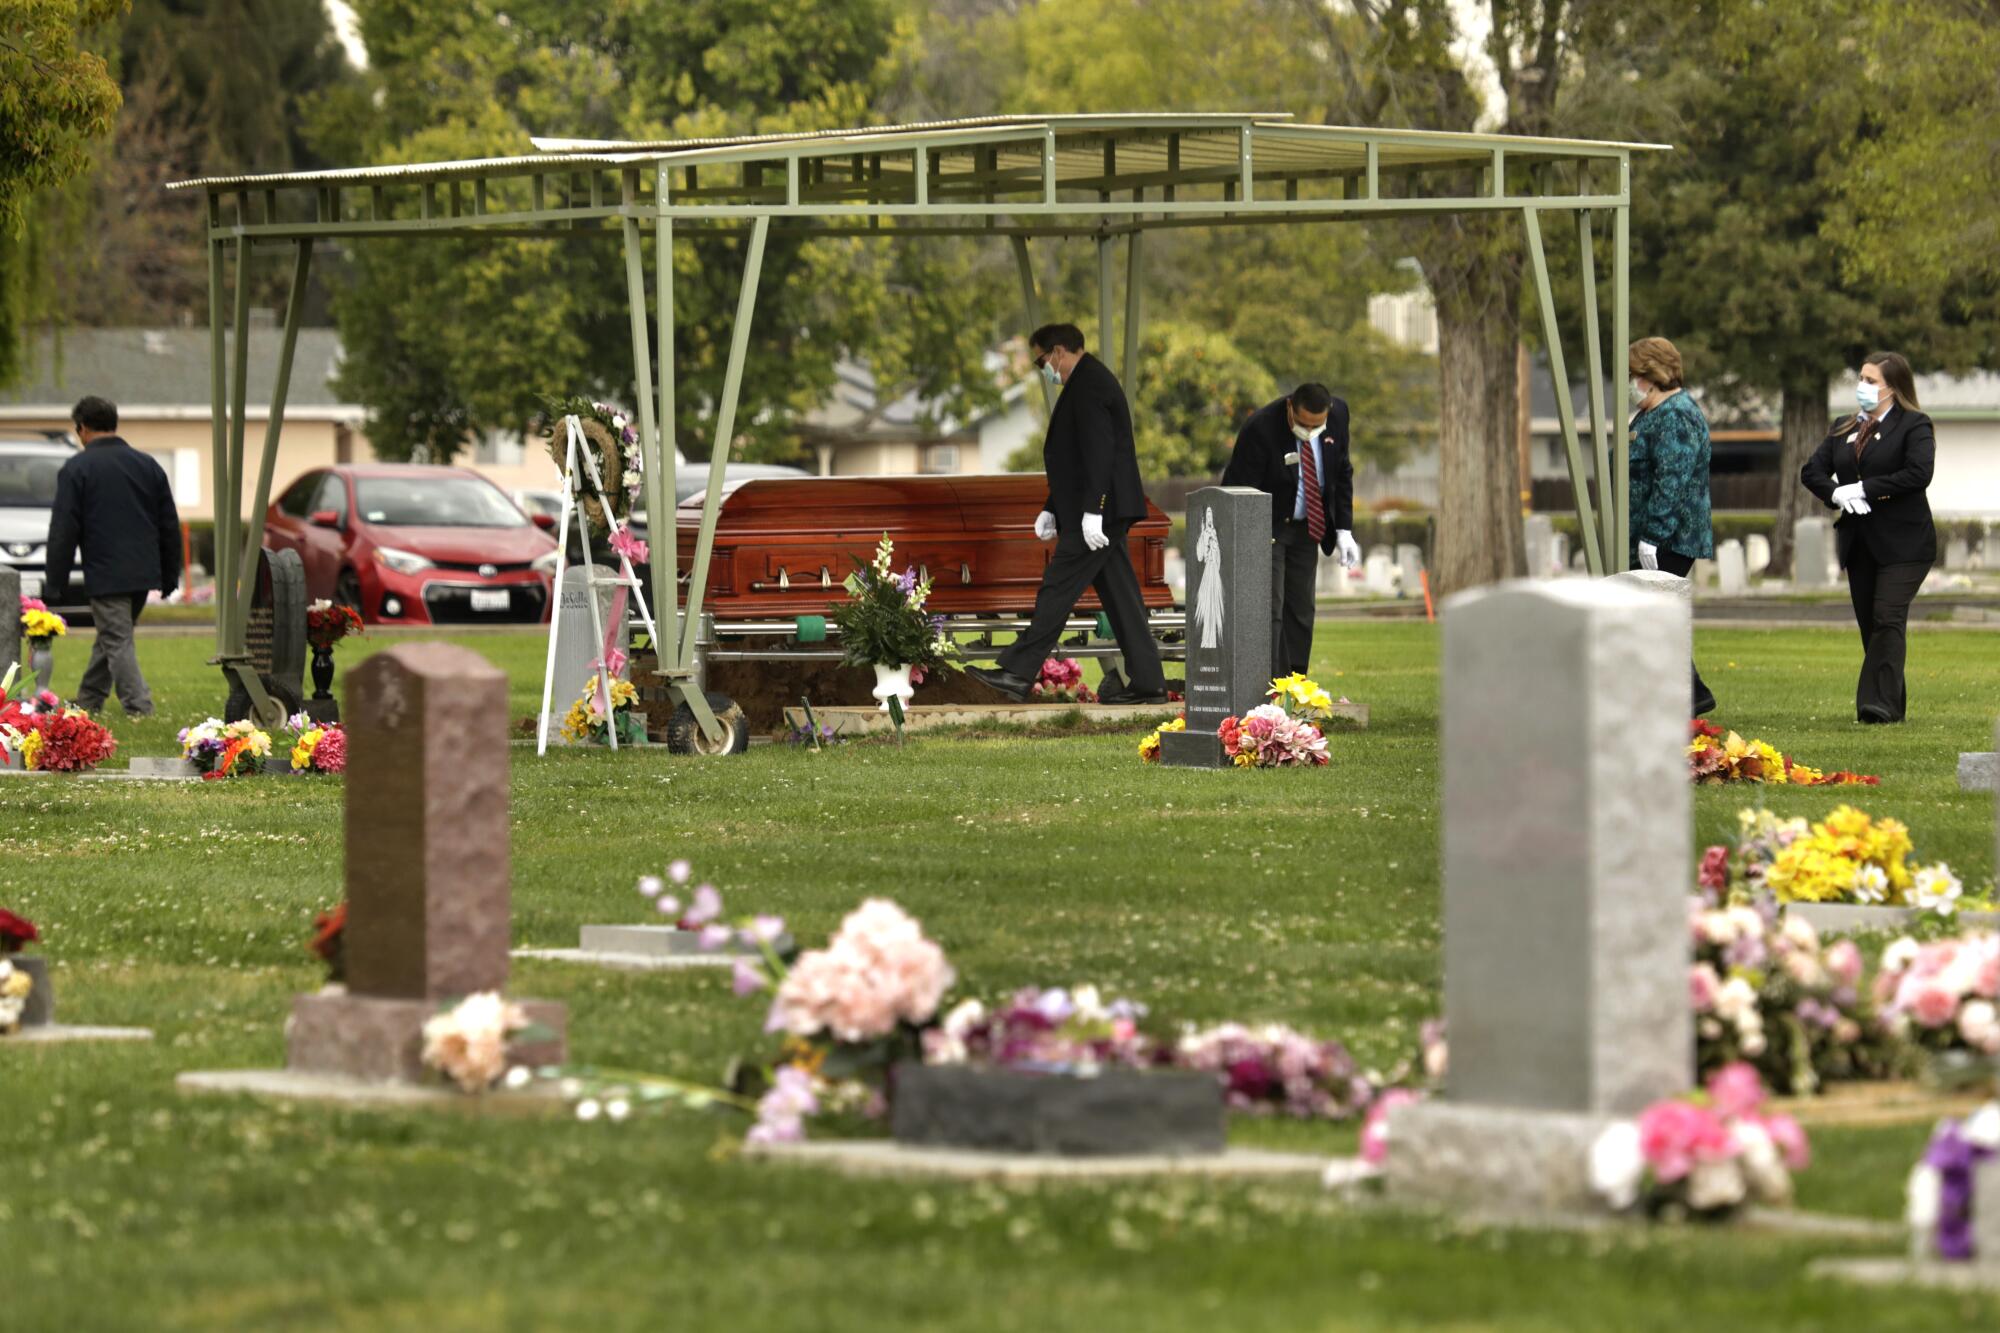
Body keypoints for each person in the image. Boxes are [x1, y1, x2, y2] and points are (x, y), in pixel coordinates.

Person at [968, 323, 1167, 705]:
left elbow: (1098, 454)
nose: (1043, 368)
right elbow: (1075, 460)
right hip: (1093, 509)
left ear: (1058, 351)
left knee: (1057, 589)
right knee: (1122, 598)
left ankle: (1017, 672)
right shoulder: (1086, 382)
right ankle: (1149, 683)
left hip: (1098, 513)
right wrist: (1052, 508)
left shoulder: (1089, 385)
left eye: (1042, 360)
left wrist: (1094, 510)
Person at [1801, 351, 1936, 724]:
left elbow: (1918, 473)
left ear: (1892, 387)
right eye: (1861, 378)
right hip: (1860, 542)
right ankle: (1891, 703)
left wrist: (1865, 489)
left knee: (1887, 616)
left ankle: (1875, 707)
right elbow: (1811, 470)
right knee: (1872, 626)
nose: (1862, 386)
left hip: (1905, 543)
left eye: (1871, 381)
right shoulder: (1844, 427)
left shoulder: (1914, 425)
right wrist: (1835, 493)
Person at [44, 396, 182, 717]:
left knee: (116, 639)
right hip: (143, 574)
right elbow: (168, 525)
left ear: (82, 428)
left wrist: (55, 582)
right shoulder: (147, 465)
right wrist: (169, 574)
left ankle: (140, 707)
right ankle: (89, 699)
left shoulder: (77, 468)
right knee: (111, 637)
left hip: (106, 573)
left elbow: (64, 529)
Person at [1220, 383, 1360, 678]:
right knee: (1270, 608)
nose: (1309, 430)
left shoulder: (1338, 416)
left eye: (1316, 425)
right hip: (1265, 525)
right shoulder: (1261, 428)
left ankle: (1296, 682)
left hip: (1309, 526)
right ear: (1289, 408)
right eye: (1302, 424)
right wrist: (1244, 539)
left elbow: (1342, 471)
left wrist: (1345, 529)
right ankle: (1269, 684)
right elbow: (1239, 488)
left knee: (1300, 609)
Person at [1626, 337, 1717, 717]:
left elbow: (1672, 480)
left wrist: (1653, 536)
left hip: (1670, 536)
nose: (1630, 383)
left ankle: (1690, 693)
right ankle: (1683, 693)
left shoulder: (1676, 414)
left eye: (1633, 374)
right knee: (1648, 614)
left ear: (1650, 375)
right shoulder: (1651, 413)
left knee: (1652, 613)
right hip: (1652, 532)